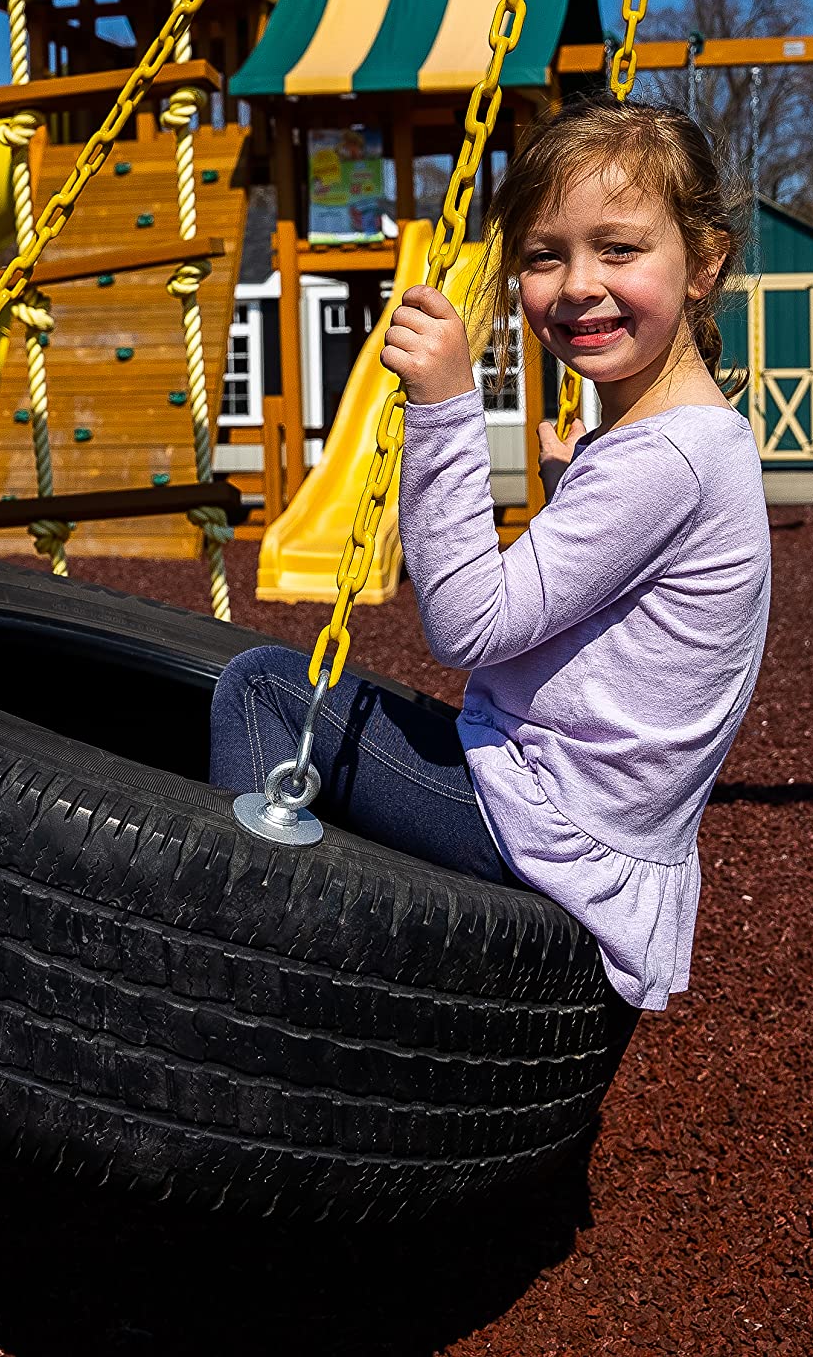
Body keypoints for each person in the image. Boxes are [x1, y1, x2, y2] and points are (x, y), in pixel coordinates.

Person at [207, 101, 773, 1010]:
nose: (578, 283)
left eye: (619, 250)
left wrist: (442, 406)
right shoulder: (692, 439)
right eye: (545, 256)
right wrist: (575, 480)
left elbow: (469, 627)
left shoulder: (665, 460)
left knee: (265, 689)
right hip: (598, 818)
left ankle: (242, 980)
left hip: (553, 826)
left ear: (704, 265)